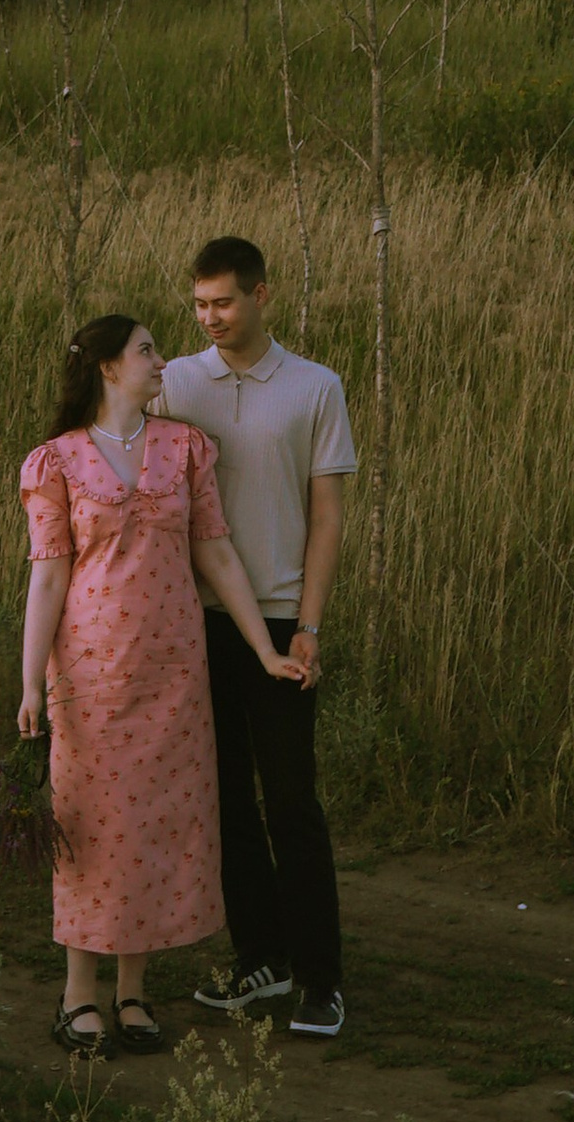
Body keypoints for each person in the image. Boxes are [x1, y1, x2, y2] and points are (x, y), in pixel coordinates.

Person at [19, 313, 305, 1060]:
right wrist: (28, 684)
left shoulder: (184, 450)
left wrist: (264, 651)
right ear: (110, 368)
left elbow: (218, 556)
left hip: (174, 674)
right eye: (147, 350)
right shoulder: (56, 461)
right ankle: (79, 995)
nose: (162, 360)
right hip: (89, 676)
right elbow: (47, 576)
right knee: (89, 828)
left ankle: (133, 992)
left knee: (149, 823)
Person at [160, 235, 357, 1039]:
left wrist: (309, 626)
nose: (210, 318)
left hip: (278, 617)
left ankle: (321, 979)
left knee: (290, 801)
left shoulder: (316, 388)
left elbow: (328, 517)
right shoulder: (173, 382)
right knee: (224, 800)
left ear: (262, 295)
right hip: (193, 618)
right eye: (200, 305)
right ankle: (261, 961)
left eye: (225, 303)